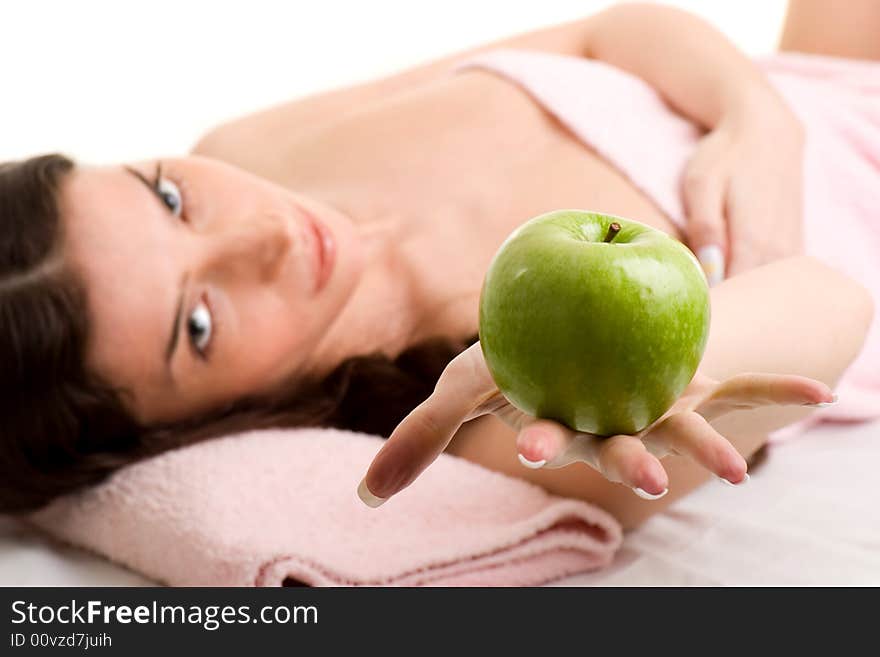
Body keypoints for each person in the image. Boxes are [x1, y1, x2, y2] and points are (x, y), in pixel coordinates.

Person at [0, 3, 874, 530]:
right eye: (199, 324)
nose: (261, 235)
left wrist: (755, 120)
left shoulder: (246, 145)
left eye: (167, 199)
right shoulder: (493, 422)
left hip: (813, 76)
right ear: (191, 431)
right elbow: (836, 297)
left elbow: (614, 28)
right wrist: (650, 385)